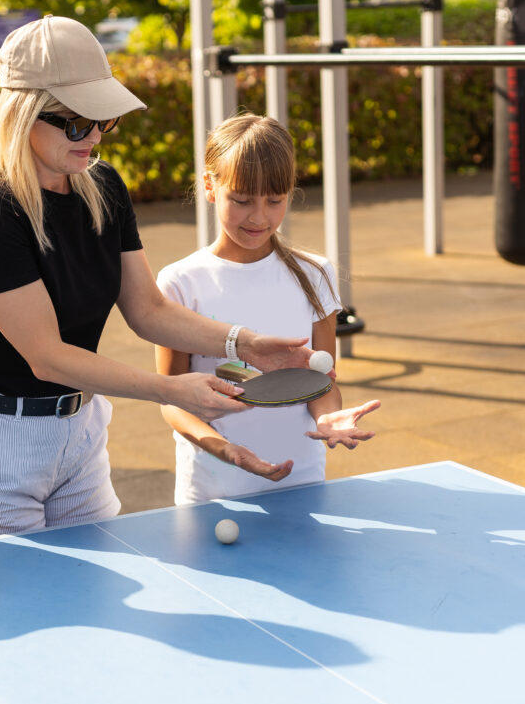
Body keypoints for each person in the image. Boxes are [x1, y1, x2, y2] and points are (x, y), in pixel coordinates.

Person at [0, 15, 314, 540]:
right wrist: (171, 390)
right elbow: (47, 357)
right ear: (23, 114)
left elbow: (147, 309)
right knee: (13, 604)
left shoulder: (101, 186)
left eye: (103, 121)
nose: (93, 136)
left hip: (81, 430)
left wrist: (244, 343)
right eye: (75, 123)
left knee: (96, 593)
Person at [155, 113, 381, 505]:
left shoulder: (316, 274)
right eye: (241, 201)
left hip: (301, 481)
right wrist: (224, 450)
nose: (259, 217)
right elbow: (173, 401)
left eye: (275, 201)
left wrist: (329, 416)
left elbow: (321, 380)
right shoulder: (180, 282)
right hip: (212, 489)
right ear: (210, 187)